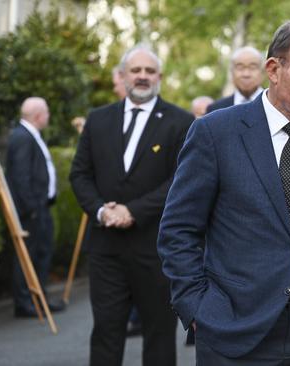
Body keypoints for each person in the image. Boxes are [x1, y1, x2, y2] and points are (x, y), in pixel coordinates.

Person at [157, 17, 290, 365]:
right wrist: (197, 307)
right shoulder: (216, 132)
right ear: (273, 69)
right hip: (234, 327)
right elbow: (178, 230)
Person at [69, 44, 193, 366]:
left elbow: (181, 180)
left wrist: (133, 211)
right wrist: (101, 209)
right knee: (106, 332)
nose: (142, 76)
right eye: (135, 70)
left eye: (149, 71)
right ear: (122, 76)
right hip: (106, 249)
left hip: (156, 250)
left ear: (160, 77)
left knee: (159, 335)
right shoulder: (98, 120)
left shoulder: (181, 122)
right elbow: (80, 174)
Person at [6, 97, 66, 318]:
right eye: (47, 112)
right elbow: (21, 177)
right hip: (30, 211)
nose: (49, 116)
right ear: (38, 115)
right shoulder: (22, 137)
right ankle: (25, 303)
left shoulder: (30, 135)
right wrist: (32, 208)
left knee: (41, 254)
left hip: (40, 207)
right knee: (27, 256)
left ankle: (39, 300)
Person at [206, 46, 264, 112]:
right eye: (240, 67)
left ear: (262, 72)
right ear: (231, 72)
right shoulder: (216, 109)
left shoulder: (273, 105)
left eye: (252, 67)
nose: (246, 74)